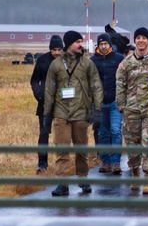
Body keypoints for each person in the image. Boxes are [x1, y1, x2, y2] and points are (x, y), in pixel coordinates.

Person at [44, 30, 104, 196]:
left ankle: (83, 177)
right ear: (69, 44)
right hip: (61, 113)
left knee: (81, 149)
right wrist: (47, 115)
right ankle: (62, 183)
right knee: (61, 149)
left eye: (81, 41)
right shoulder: (56, 65)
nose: (80, 44)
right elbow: (49, 90)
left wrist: (97, 110)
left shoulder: (87, 64)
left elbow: (96, 86)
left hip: (81, 112)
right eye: (77, 41)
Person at [116, 27, 148, 195]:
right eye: (138, 37)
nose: (141, 40)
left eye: (144, 38)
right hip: (130, 110)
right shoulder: (126, 63)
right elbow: (120, 85)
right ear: (135, 41)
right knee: (132, 144)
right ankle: (135, 172)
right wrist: (121, 106)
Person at [91, 33, 125, 175]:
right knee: (102, 132)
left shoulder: (119, 58)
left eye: (106, 44)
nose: (104, 46)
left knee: (115, 130)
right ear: (98, 46)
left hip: (115, 101)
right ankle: (106, 162)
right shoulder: (93, 60)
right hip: (99, 103)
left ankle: (116, 162)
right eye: (101, 44)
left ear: (110, 45)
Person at [30, 35, 63, 173]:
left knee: (62, 134)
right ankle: (42, 163)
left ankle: (62, 163)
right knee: (44, 133)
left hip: (63, 104)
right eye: (54, 50)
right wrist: (39, 95)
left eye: (59, 49)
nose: (57, 52)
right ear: (50, 49)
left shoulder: (67, 61)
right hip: (45, 104)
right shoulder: (42, 60)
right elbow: (34, 80)